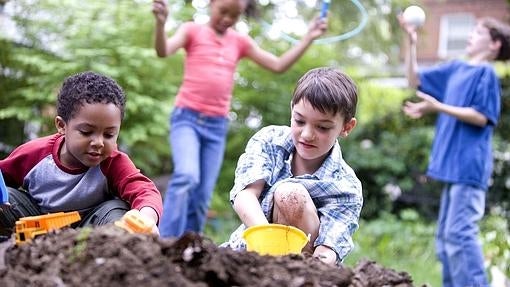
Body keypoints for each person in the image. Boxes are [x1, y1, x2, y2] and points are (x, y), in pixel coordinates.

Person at [152, 0, 329, 237]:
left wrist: (308, 37)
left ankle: (188, 246)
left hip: (216, 127)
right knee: (186, 176)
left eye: (234, 15)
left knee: (203, 194)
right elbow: (163, 50)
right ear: (211, 4)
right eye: (223, 11)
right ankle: (164, 241)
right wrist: (161, 23)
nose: (227, 19)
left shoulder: (239, 41)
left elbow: (277, 65)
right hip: (187, 119)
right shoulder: (191, 30)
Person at [398, 15, 510, 287]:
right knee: (445, 239)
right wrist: (412, 43)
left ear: (494, 45)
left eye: (478, 31)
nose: (470, 34)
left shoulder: (486, 74)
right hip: (451, 167)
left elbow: (481, 116)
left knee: (459, 235)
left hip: (468, 168)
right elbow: (414, 80)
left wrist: (438, 107)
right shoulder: (456, 69)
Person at [222, 67, 363, 265]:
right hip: (250, 254)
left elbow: (329, 249)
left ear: (346, 127)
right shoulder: (269, 140)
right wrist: (267, 241)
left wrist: (309, 272)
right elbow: (245, 195)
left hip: (303, 268)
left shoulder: (346, 187)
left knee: (290, 195)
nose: (306, 134)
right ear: (292, 110)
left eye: (322, 127)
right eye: (299, 121)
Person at [0, 71, 163, 236]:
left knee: (117, 210)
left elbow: (144, 190)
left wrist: (146, 218)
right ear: (62, 126)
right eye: (86, 132)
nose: (99, 142)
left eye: (108, 135)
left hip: (92, 234)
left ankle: (112, 249)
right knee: (6, 197)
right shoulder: (34, 154)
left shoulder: (113, 161)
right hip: (36, 227)